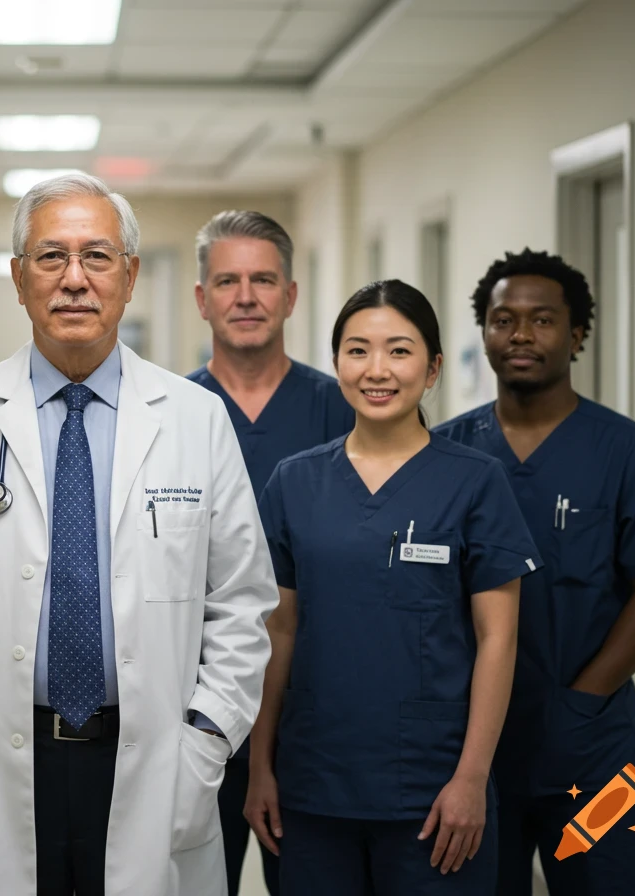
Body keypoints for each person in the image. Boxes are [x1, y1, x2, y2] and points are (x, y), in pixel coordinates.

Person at [0, 172, 277, 896]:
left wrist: (205, 745)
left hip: (153, 758)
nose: (75, 280)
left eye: (97, 257)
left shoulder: (194, 418)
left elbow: (243, 606)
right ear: (21, 280)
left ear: (129, 277)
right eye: (51, 258)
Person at [252, 280, 540, 895]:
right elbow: (279, 629)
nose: (376, 370)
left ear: (433, 368)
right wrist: (260, 767)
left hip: (434, 794)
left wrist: (471, 778)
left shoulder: (476, 482)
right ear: (336, 364)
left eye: (399, 351)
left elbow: (499, 639)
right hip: (313, 784)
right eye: (357, 350)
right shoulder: (293, 482)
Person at [435, 249, 635, 896]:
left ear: (576, 336)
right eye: (502, 319)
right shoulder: (446, 455)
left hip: (598, 753)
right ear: (484, 333)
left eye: (542, 320)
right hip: (474, 756)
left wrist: (582, 702)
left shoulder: (628, 452)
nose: (520, 334)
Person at [187, 209, 354, 896]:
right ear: (201, 299)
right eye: (227, 281)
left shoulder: (348, 407)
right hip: (192, 711)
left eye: (264, 280)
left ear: (290, 294)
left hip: (318, 713)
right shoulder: (166, 413)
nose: (246, 297)